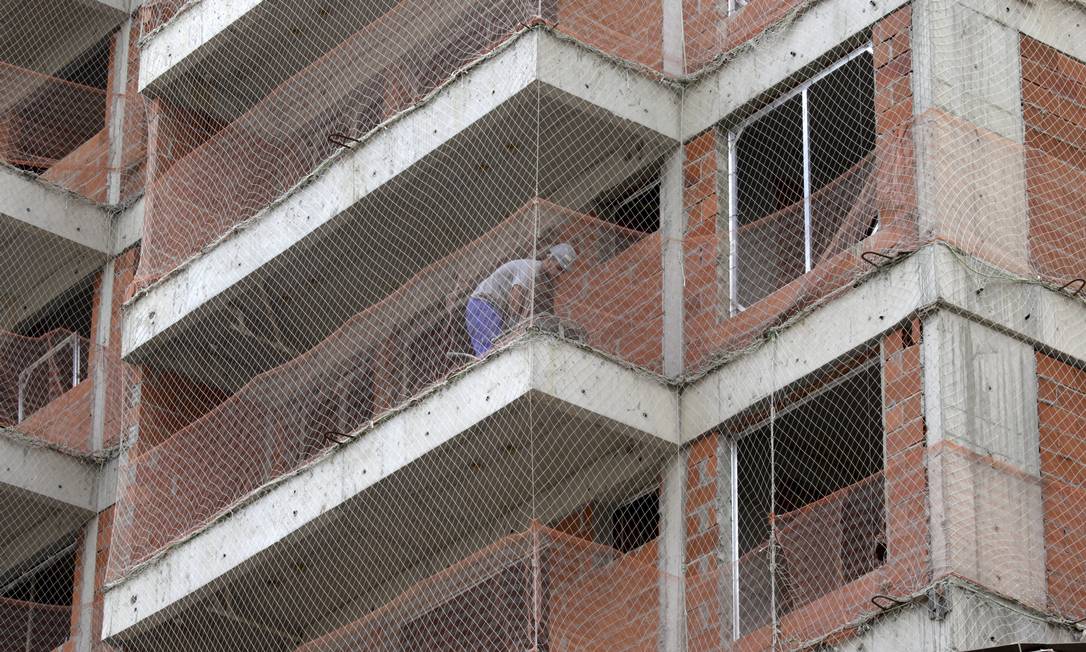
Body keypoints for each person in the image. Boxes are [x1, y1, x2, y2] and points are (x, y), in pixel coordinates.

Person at [464, 243, 576, 357]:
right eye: (559, 268)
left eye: (563, 271)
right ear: (550, 259)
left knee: (499, 350)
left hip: (498, 310)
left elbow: (546, 311)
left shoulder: (547, 282)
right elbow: (516, 294)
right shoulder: (531, 269)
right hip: (484, 304)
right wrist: (513, 324)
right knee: (490, 351)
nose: (559, 273)